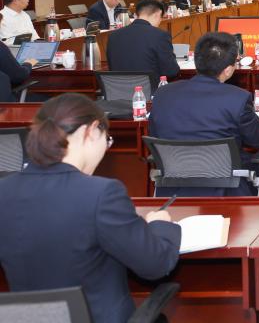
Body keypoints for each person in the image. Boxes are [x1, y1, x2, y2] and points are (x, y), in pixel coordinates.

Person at [0, 94, 180, 323]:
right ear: (92, 131)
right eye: (108, 140)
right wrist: (160, 223)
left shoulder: (4, 190)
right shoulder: (102, 194)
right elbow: (155, 264)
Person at [148, 32, 259, 196]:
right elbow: (258, 139)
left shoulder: (163, 94)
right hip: (225, 190)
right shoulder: (237, 98)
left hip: (173, 190)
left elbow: (154, 134)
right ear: (228, 70)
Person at [105, 0, 179, 90]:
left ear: (137, 14)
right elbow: (171, 71)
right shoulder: (160, 35)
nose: (160, 22)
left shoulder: (113, 36)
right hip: (149, 93)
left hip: (118, 92)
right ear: (157, 14)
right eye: (161, 18)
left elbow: (111, 67)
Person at [0, 11, 36, 102]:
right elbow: (19, 76)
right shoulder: (1, 48)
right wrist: (28, 64)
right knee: (50, 100)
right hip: (6, 105)